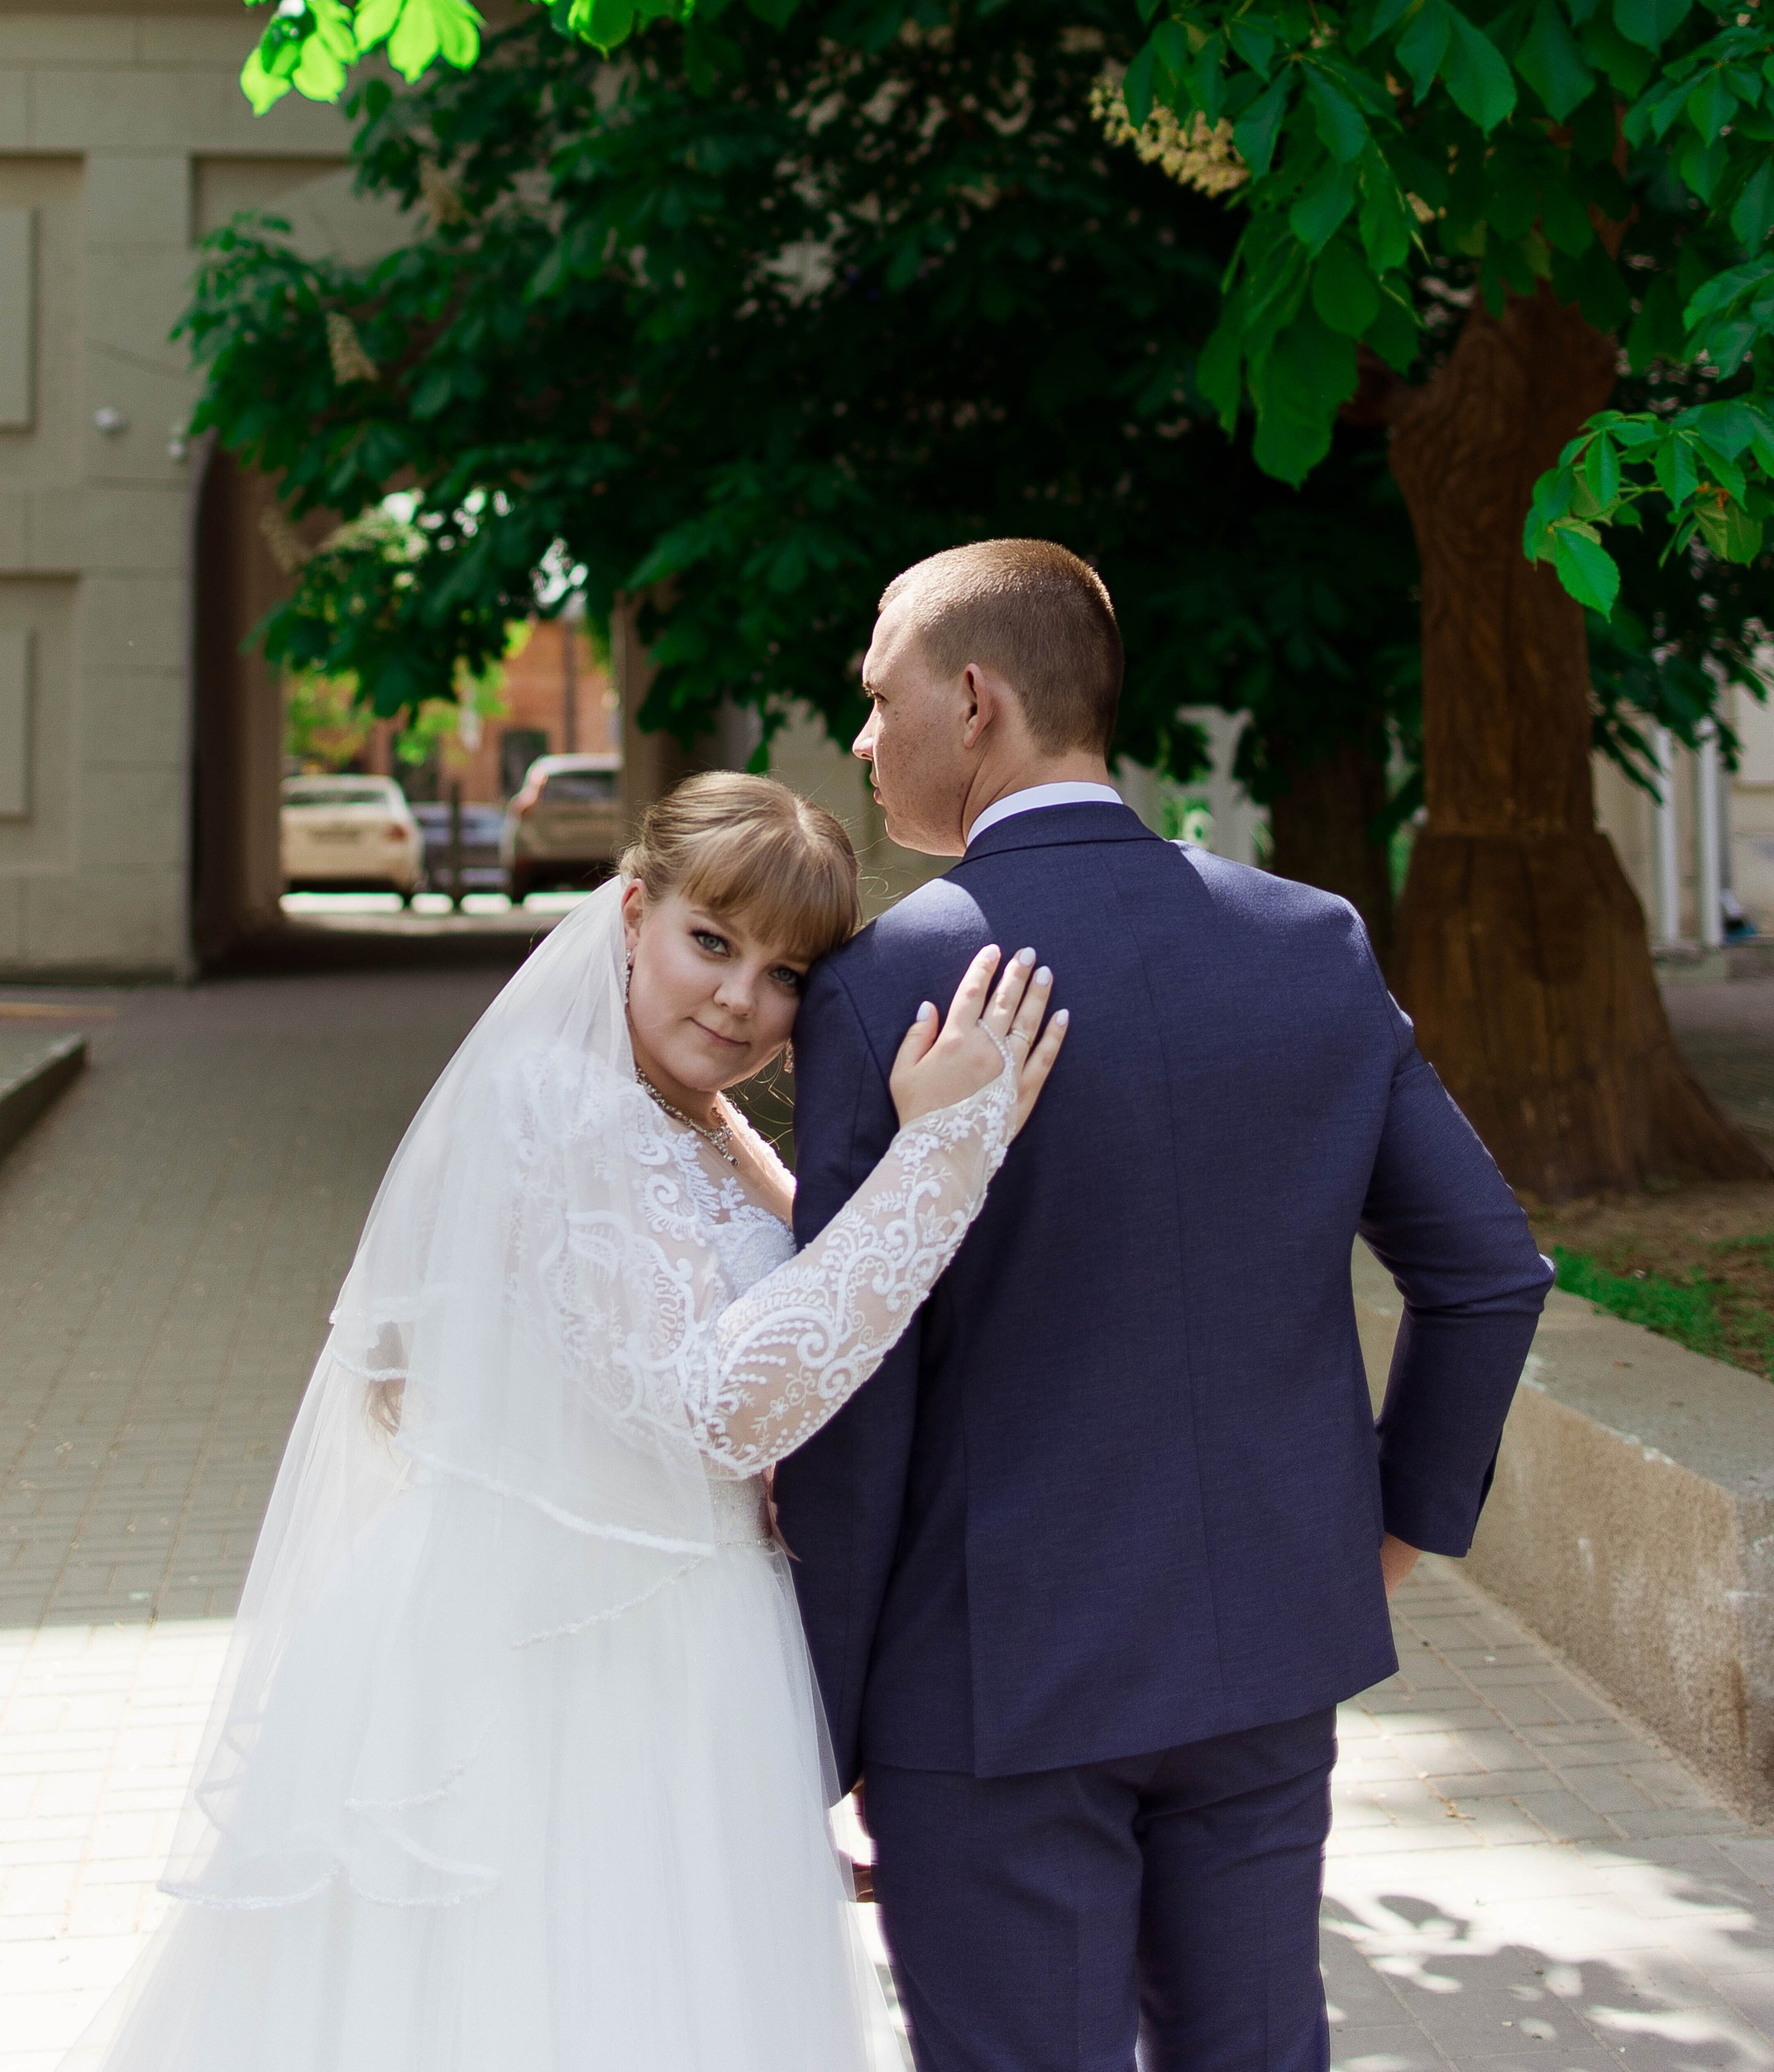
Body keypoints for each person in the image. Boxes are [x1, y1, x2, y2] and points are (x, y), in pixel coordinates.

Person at [72, 772, 1066, 2072]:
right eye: (712, 942)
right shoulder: (553, 1099)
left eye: (784, 974)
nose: (739, 999)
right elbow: (718, 1404)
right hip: (554, 1651)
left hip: (680, 1630)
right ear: (634, 912)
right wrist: (942, 1158)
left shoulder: (702, 1125)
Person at [776, 537, 1554, 2072]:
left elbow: (856, 1398)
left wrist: (813, 1722)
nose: (864, 740)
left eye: (878, 700)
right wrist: (1384, 1536)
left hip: (986, 1687)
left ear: (976, 698)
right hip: (1262, 1655)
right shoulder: (1308, 938)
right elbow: (1486, 1273)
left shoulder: (890, 982)